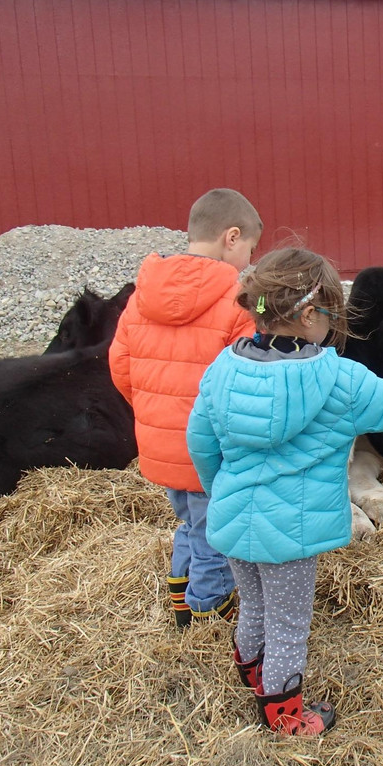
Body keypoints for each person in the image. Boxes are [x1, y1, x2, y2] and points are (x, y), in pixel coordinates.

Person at [186, 247, 383, 736]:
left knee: (253, 606)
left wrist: (222, 495)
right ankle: (285, 712)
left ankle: (249, 671)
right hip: (290, 539)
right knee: (289, 624)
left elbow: (200, 442)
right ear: (310, 315)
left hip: (233, 523)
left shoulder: (223, 369)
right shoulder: (338, 379)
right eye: (332, 313)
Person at [110, 188, 264, 628]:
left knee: (191, 523)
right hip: (212, 449)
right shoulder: (239, 298)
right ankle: (204, 614)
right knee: (216, 533)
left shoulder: (142, 296)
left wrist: (153, 414)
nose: (248, 262)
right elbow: (248, 374)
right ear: (231, 237)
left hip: (160, 445)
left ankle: (182, 598)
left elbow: (120, 366)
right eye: (250, 250)